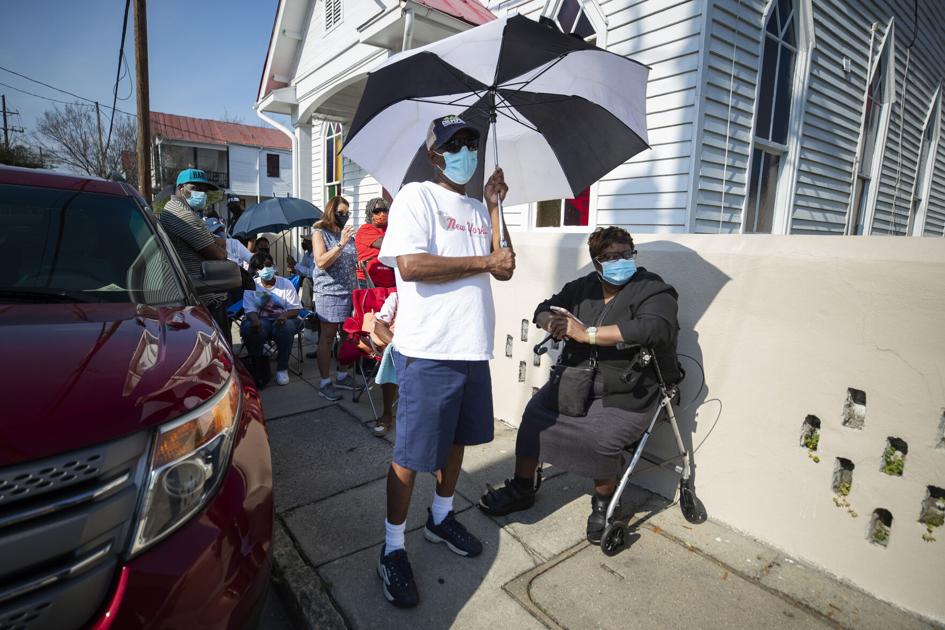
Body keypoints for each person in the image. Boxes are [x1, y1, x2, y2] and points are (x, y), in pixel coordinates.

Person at [374, 114, 515, 608]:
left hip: (471, 346)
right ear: (435, 155)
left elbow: (505, 268)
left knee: (458, 441)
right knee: (412, 453)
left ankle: (440, 517)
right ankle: (392, 549)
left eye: (470, 143)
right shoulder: (417, 196)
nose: (465, 152)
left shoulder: (479, 207)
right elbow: (411, 266)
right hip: (429, 349)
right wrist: (484, 261)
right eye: (453, 144)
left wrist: (497, 210)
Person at [478, 226, 681, 545]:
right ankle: (522, 488)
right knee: (534, 417)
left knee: (601, 438)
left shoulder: (653, 289)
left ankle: (603, 505)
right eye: (611, 257)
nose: (621, 261)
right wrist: (554, 323)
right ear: (597, 262)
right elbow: (543, 309)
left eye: (627, 254)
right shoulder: (583, 287)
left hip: (628, 387)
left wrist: (587, 334)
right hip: (577, 378)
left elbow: (655, 329)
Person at [159, 168, 232, 346]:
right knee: (219, 354)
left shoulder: (177, 210)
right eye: (195, 187)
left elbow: (215, 242)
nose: (201, 193)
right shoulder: (183, 215)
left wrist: (215, 241)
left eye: (204, 190)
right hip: (202, 301)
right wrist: (220, 247)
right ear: (181, 187)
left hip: (190, 298)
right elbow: (217, 254)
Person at [311, 196, 358, 401]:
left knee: (348, 336)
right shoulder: (319, 233)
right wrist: (341, 244)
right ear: (331, 211)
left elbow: (350, 260)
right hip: (329, 293)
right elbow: (321, 262)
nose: (344, 216)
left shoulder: (346, 234)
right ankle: (324, 382)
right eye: (341, 212)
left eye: (347, 213)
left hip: (349, 293)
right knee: (328, 338)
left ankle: (342, 374)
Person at [240, 252, 303, 387]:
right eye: (260, 267)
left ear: (274, 266)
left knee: (284, 328)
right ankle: (258, 367)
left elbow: (295, 309)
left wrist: (283, 316)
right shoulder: (252, 285)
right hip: (263, 320)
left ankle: (282, 368)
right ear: (256, 270)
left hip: (287, 318)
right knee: (247, 327)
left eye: (268, 265)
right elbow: (250, 310)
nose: (265, 269)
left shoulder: (285, 283)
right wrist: (255, 320)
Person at [370, 291, 399, 437]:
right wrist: (398, 345)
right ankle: (387, 413)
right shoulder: (396, 296)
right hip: (397, 342)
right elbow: (379, 327)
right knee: (392, 353)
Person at [355, 197, 395, 288]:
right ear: (370, 213)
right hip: (369, 282)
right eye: (377, 211)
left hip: (389, 282)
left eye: (385, 210)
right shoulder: (365, 230)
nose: (382, 214)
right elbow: (387, 244)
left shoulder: (389, 229)